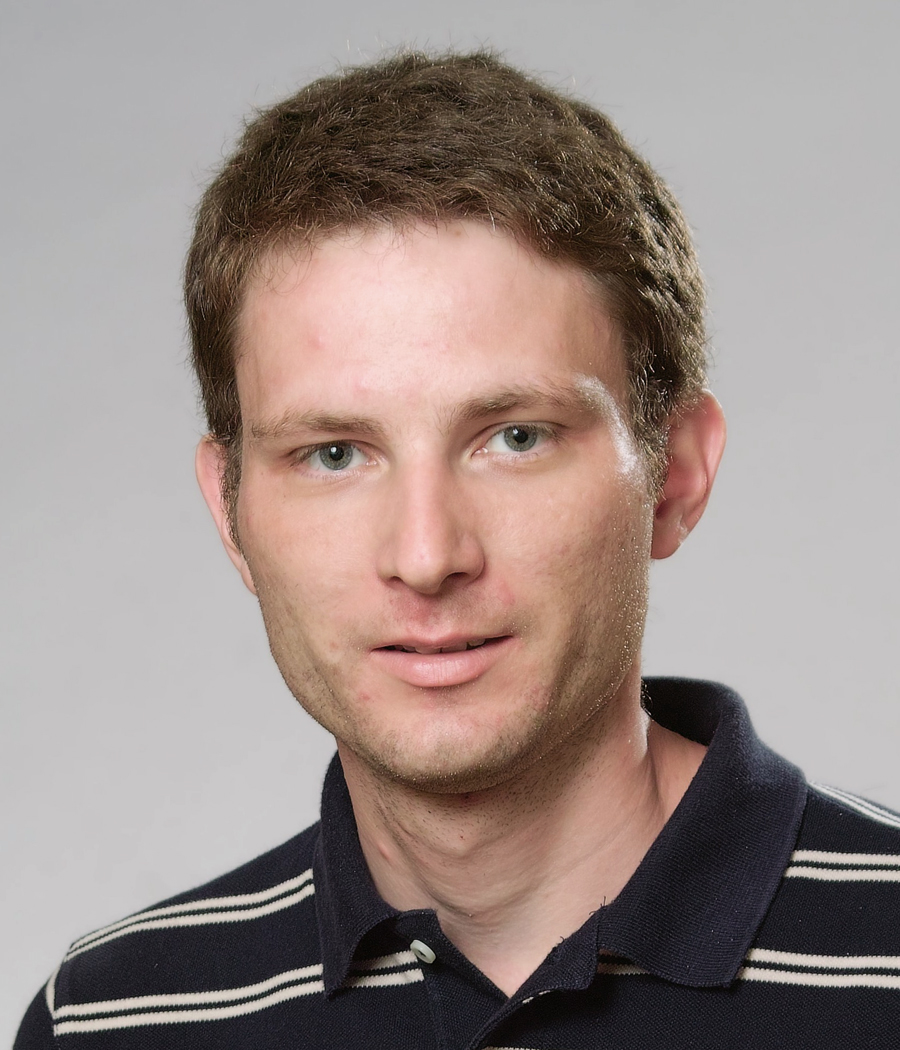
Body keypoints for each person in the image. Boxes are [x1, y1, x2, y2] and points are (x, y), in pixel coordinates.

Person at [15, 50, 900, 1050]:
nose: (427, 555)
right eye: (334, 454)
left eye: (515, 437)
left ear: (677, 474)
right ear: (231, 513)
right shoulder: (107, 1023)